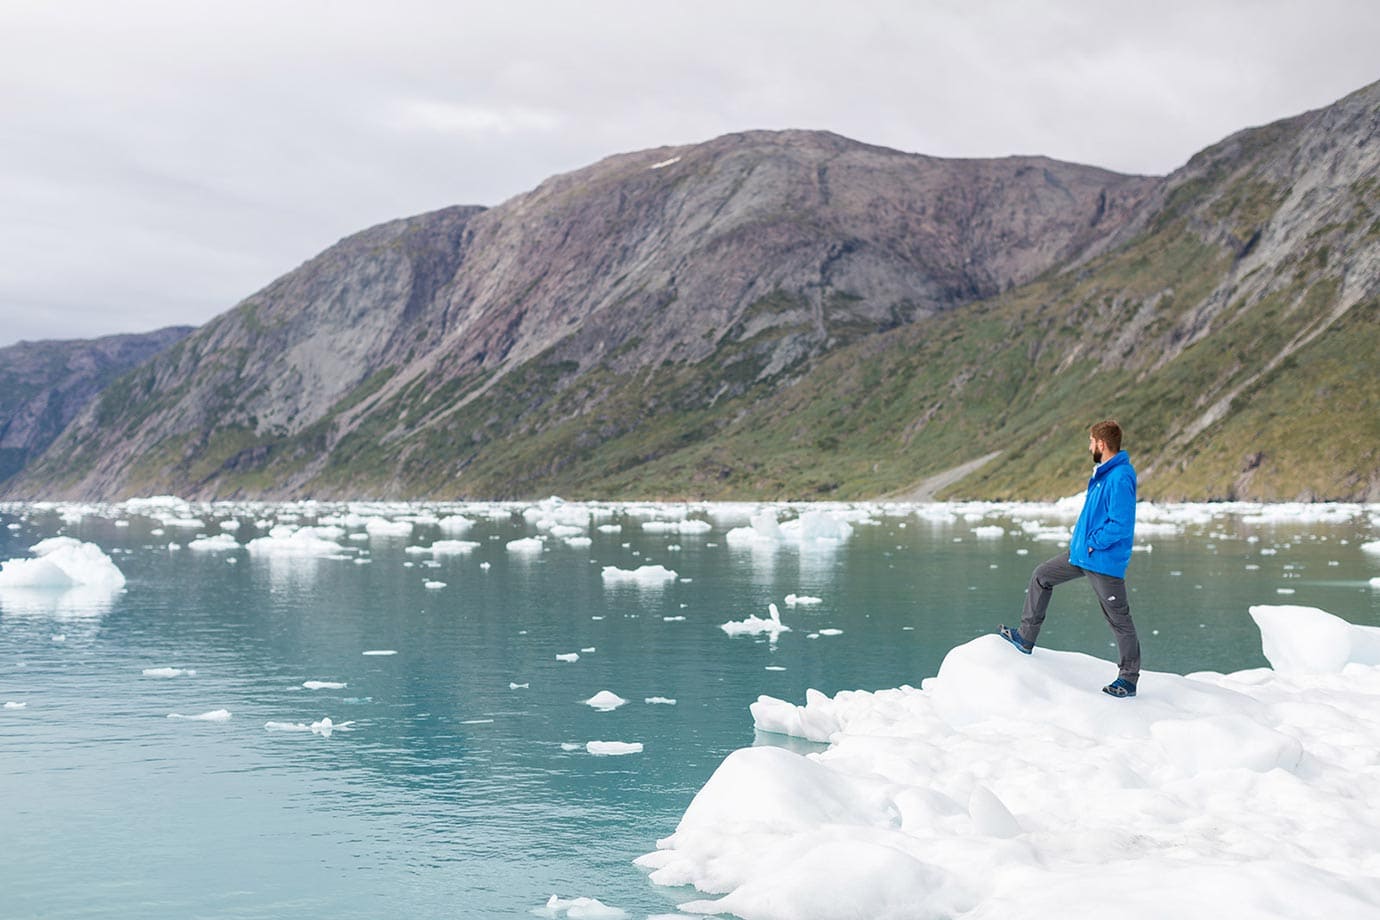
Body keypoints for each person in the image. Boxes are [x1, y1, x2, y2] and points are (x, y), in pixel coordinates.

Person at [999, 420, 1141, 698]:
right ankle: (1026, 638)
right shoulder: (1104, 474)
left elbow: (1120, 524)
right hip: (1082, 556)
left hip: (1102, 560)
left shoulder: (1120, 476)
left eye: (1091, 442)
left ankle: (1129, 679)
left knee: (1119, 620)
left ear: (1101, 444)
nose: (1089, 447)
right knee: (1042, 575)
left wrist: (1092, 543)